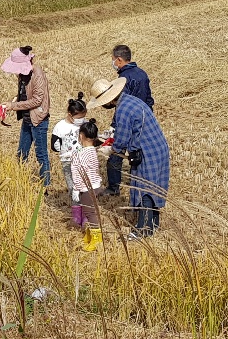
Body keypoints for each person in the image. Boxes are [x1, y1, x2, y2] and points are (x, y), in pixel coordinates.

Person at [89, 76, 169, 240]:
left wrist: (110, 150)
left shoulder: (123, 110)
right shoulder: (130, 100)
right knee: (153, 188)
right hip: (158, 147)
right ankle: (153, 224)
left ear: (108, 100)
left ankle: (142, 230)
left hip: (147, 152)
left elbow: (122, 141)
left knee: (144, 189)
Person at [105, 44, 155, 196]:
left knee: (115, 154)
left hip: (127, 121)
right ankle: (141, 183)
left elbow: (120, 104)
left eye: (113, 60)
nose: (113, 63)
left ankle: (113, 188)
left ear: (119, 60)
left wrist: (114, 124)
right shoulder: (142, 74)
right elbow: (149, 99)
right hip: (144, 119)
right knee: (138, 154)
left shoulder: (123, 79)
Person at [0, 47, 50, 185]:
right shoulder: (23, 75)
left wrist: (14, 106)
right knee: (22, 153)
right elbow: (24, 93)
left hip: (38, 120)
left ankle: (44, 187)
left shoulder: (37, 75)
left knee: (41, 155)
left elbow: (37, 100)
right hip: (27, 119)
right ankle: (18, 180)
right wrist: (13, 101)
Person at [51, 94, 89, 225]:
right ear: (70, 114)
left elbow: (92, 139)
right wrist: (60, 146)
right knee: (74, 189)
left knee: (85, 188)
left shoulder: (85, 125)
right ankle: (76, 215)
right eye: (79, 117)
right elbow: (54, 146)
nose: (82, 120)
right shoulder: (60, 127)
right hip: (68, 162)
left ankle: (86, 216)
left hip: (84, 160)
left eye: (83, 117)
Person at [71, 121, 105, 251]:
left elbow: (77, 173)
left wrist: (76, 188)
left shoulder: (80, 154)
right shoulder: (93, 152)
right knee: (92, 211)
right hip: (95, 186)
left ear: (81, 136)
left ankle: (96, 238)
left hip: (86, 189)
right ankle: (91, 234)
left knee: (90, 213)